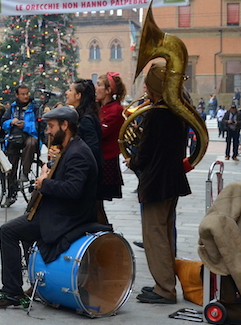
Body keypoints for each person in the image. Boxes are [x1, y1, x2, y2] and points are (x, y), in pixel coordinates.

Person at [0, 106, 99, 308]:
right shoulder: (72, 148)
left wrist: (43, 184)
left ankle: (12, 291)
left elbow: (73, 190)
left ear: (65, 126)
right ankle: (36, 283)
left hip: (67, 218)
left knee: (8, 231)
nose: (47, 131)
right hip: (60, 212)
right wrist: (50, 168)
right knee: (23, 227)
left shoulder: (78, 153)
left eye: (52, 126)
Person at [128, 63, 191, 305]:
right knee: (165, 234)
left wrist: (131, 160)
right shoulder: (176, 111)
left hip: (156, 181)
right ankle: (164, 283)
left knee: (155, 237)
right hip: (171, 180)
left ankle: (165, 288)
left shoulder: (156, 114)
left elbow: (144, 156)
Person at [67, 79, 104, 221]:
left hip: (90, 173)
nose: (67, 93)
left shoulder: (86, 119)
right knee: (95, 209)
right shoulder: (82, 115)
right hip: (91, 170)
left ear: (79, 96)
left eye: (70, 90)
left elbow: (92, 147)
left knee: (95, 210)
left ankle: (106, 239)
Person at [2, 85, 41, 206]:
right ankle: (11, 194)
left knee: (31, 143)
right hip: (15, 137)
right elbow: (3, 122)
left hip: (30, 135)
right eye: (22, 94)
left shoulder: (35, 107)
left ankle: (25, 172)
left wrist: (25, 125)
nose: (25, 96)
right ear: (17, 95)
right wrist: (11, 122)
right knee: (11, 168)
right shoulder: (12, 108)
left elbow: (39, 126)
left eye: (27, 93)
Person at [95, 73, 125, 225]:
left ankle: (106, 235)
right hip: (99, 160)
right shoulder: (101, 107)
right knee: (95, 205)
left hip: (105, 162)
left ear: (108, 90)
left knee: (96, 205)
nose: (96, 87)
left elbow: (99, 133)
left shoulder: (115, 110)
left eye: (99, 84)